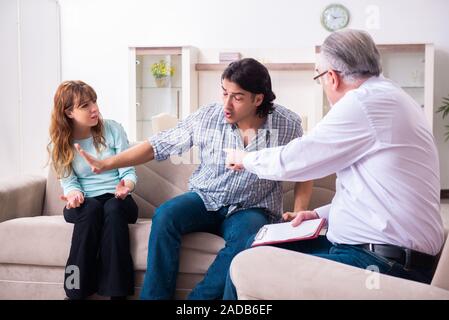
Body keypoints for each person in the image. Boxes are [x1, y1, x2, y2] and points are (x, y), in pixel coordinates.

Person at [223, 29, 445, 299]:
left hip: (382, 264)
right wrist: (320, 214)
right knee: (256, 243)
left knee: (249, 260)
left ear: (332, 77)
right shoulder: (393, 97)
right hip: (388, 253)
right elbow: (376, 192)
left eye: (319, 77)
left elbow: (298, 159)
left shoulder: (363, 103)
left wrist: (243, 158)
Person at [74, 58, 313, 300]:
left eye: (237, 97)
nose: (227, 104)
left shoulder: (287, 124)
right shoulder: (208, 117)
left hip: (251, 206)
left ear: (258, 99)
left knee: (247, 238)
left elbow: (304, 167)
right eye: (224, 93)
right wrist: (107, 163)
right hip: (205, 198)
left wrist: (299, 210)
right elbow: (158, 145)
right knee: (166, 215)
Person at [48, 80, 138, 300]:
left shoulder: (113, 129)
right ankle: (75, 289)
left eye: (94, 101)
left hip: (118, 198)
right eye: (85, 105)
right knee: (92, 210)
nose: (94, 108)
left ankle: (117, 293)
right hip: (84, 203)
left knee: (113, 209)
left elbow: (128, 172)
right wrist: (73, 195)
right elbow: (69, 183)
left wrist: (126, 187)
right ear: (69, 112)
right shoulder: (59, 144)